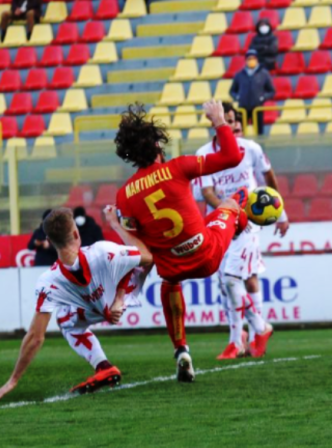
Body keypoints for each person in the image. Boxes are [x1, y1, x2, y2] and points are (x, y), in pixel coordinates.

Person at [114, 100, 248, 382]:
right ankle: (239, 225)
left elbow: (139, 247)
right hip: (208, 251)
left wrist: (115, 225)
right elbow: (233, 157)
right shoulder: (179, 167)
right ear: (158, 147)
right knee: (235, 200)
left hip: (172, 266)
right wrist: (219, 121)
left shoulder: (124, 196)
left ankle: (181, 350)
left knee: (169, 282)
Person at [0, 207, 153, 401]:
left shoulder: (48, 282)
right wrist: (114, 224)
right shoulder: (103, 251)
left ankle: (102, 365)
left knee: (64, 320)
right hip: (120, 297)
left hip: (95, 307)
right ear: (75, 233)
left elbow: (35, 338)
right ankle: (106, 367)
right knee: (137, 261)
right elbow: (147, 257)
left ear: (49, 241)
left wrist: (12, 380)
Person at [195, 102, 289, 359]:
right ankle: (246, 335)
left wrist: (281, 212)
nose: (231, 125)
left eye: (233, 120)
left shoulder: (251, 149)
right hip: (219, 224)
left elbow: (270, 179)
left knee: (235, 278)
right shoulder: (204, 153)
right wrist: (226, 210)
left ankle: (243, 337)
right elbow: (207, 192)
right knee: (230, 283)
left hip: (248, 223)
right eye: (225, 120)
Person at [230, 49, 276, 136]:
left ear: (257, 59)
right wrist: (238, 97)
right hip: (243, 108)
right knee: (240, 131)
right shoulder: (239, 74)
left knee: (259, 132)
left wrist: (263, 97)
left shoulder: (264, 74)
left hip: (257, 108)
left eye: (253, 58)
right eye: (249, 59)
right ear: (246, 60)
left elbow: (271, 91)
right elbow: (232, 91)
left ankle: (261, 148)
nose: (251, 61)